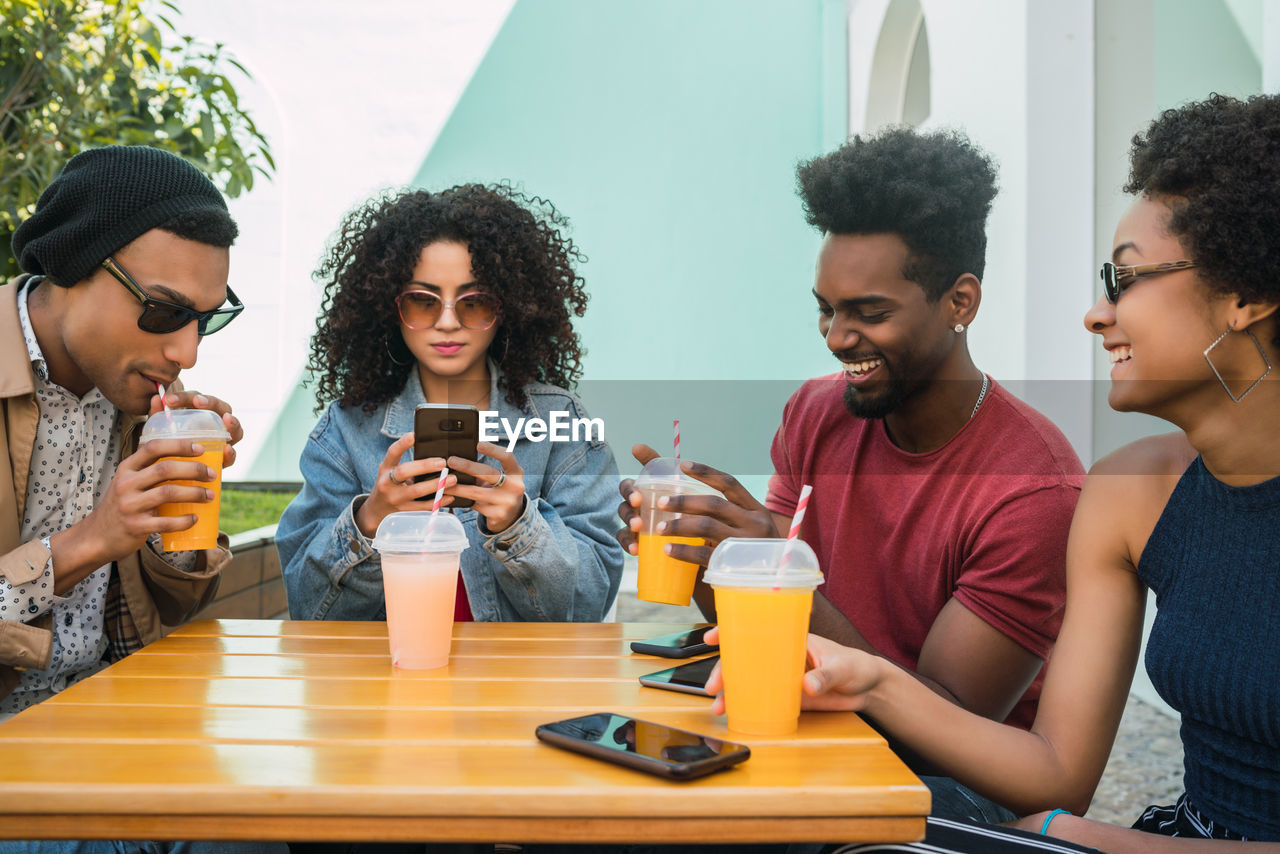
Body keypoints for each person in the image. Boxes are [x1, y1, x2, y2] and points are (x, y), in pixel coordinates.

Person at [783, 93, 1280, 850]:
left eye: (1127, 279)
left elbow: (1055, 809)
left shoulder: (1041, 482)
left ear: (1247, 297)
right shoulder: (1130, 494)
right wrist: (870, 677)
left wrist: (1070, 836)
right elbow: (1056, 773)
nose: (1096, 314)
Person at [617, 127, 1084, 822]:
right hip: (809, 720)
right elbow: (766, 630)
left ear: (960, 302)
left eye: (868, 313)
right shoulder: (815, 411)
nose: (836, 337)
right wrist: (713, 558)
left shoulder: (1032, 489)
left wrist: (770, 567)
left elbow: (942, 724)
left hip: (948, 790)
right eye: (825, 309)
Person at [0, 146, 281, 854]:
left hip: (114, 724)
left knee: (276, 822)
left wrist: (176, 524)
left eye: (206, 320)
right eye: (163, 311)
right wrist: (90, 540)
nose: (187, 350)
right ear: (71, 265)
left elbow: (158, 617)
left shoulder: (136, 409)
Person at [279, 184, 624, 623]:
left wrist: (518, 526)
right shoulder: (344, 431)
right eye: (422, 301)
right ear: (389, 307)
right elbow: (310, 613)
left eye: (474, 302)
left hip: (517, 687)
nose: (447, 322)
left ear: (511, 307)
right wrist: (371, 520)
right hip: (390, 685)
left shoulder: (561, 423)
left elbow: (589, 603)